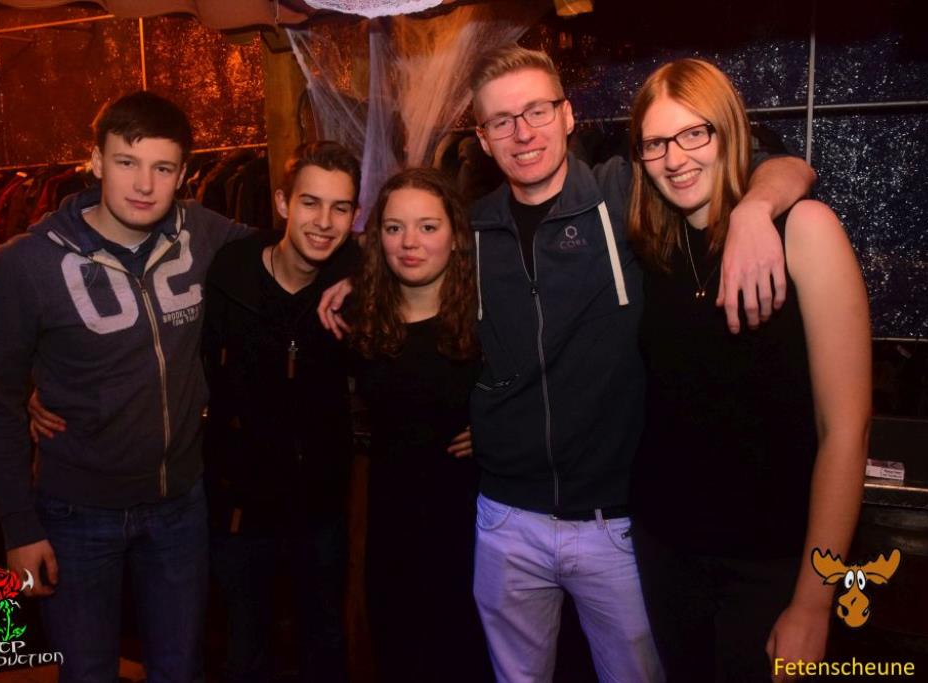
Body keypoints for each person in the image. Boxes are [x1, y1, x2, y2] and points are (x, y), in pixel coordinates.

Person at [318, 44, 814, 683]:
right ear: (483, 139)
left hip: (615, 523)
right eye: (501, 121)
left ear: (568, 114)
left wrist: (754, 209)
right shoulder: (473, 230)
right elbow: (410, 253)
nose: (523, 133)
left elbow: (785, 166)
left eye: (537, 111)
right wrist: (357, 279)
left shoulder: (626, 192)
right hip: (505, 519)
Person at [0, 90, 255, 682]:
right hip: (75, 514)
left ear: (184, 174)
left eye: (162, 168)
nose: (144, 185)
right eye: (127, 162)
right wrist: (19, 528)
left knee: (180, 670)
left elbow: (287, 259)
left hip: (180, 505)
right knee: (87, 672)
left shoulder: (203, 233)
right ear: (96, 160)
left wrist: (345, 274)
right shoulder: (27, 263)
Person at [627, 58, 870, 683]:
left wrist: (814, 602)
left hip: (771, 565)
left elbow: (846, 430)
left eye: (693, 133)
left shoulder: (805, 229)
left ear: (730, 132)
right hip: (666, 553)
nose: (675, 158)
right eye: (655, 143)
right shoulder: (652, 248)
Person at [201, 141, 360, 683]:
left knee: (325, 643)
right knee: (246, 649)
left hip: (321, 508)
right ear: (282, 203)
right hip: (241, 509)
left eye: (340, 207)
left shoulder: (359, 280)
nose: (325, 222)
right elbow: (182, 357)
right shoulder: (231, 272)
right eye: (310, 203)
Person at [349, 167, 492, 682]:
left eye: (428, 227)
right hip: (391, 525)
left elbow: (554, 382)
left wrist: (501, 428)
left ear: (456, 237)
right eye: (394, 228)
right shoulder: (358, 315)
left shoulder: (489, 316)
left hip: (471, 527)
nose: (409, 243)